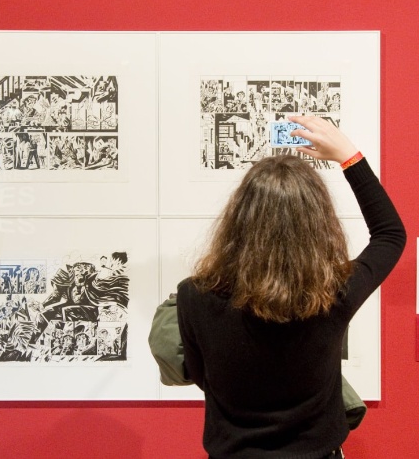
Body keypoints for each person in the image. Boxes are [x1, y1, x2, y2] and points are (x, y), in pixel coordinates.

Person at [165, 115, 406, 458]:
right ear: (319, 222)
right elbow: (390, 234)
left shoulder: (194, 294)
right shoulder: (334, 294)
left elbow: (206, 379)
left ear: (239, 219)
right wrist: (348, 156)